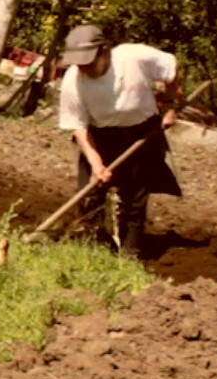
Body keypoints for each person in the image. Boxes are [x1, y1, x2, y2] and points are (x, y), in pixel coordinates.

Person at [56, 24, 185, 257]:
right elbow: (78, 127)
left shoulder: (135, 57)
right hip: (99, 135)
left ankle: (130, 249)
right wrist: (96, 164)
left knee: (135, 195)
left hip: (140, 133)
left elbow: (171, 69)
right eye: (79, 63)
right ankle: (93, 247)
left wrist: (169, 106)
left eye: (88, 62)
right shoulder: (72, 83)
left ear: (104, 52)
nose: (83, 68)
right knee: (90, 192)